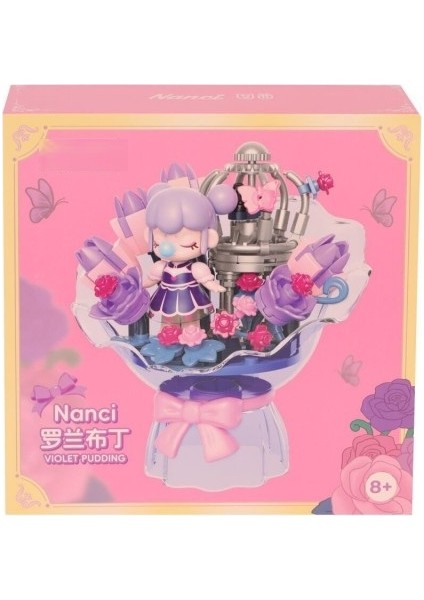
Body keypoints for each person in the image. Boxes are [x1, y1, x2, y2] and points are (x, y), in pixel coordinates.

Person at [142, 183, 237, 328]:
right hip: (167, 298)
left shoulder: (196, 267)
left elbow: (205, 279)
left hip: (190, 299)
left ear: (210, 238)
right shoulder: (161, 266)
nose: (168, 247)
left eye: (184, 240)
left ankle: (192, 337)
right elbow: (151, 279)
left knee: (191, 322)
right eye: (159, 239)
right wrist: (140, 286)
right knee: (167, 320)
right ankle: (167, 336)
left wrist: (213, 285)